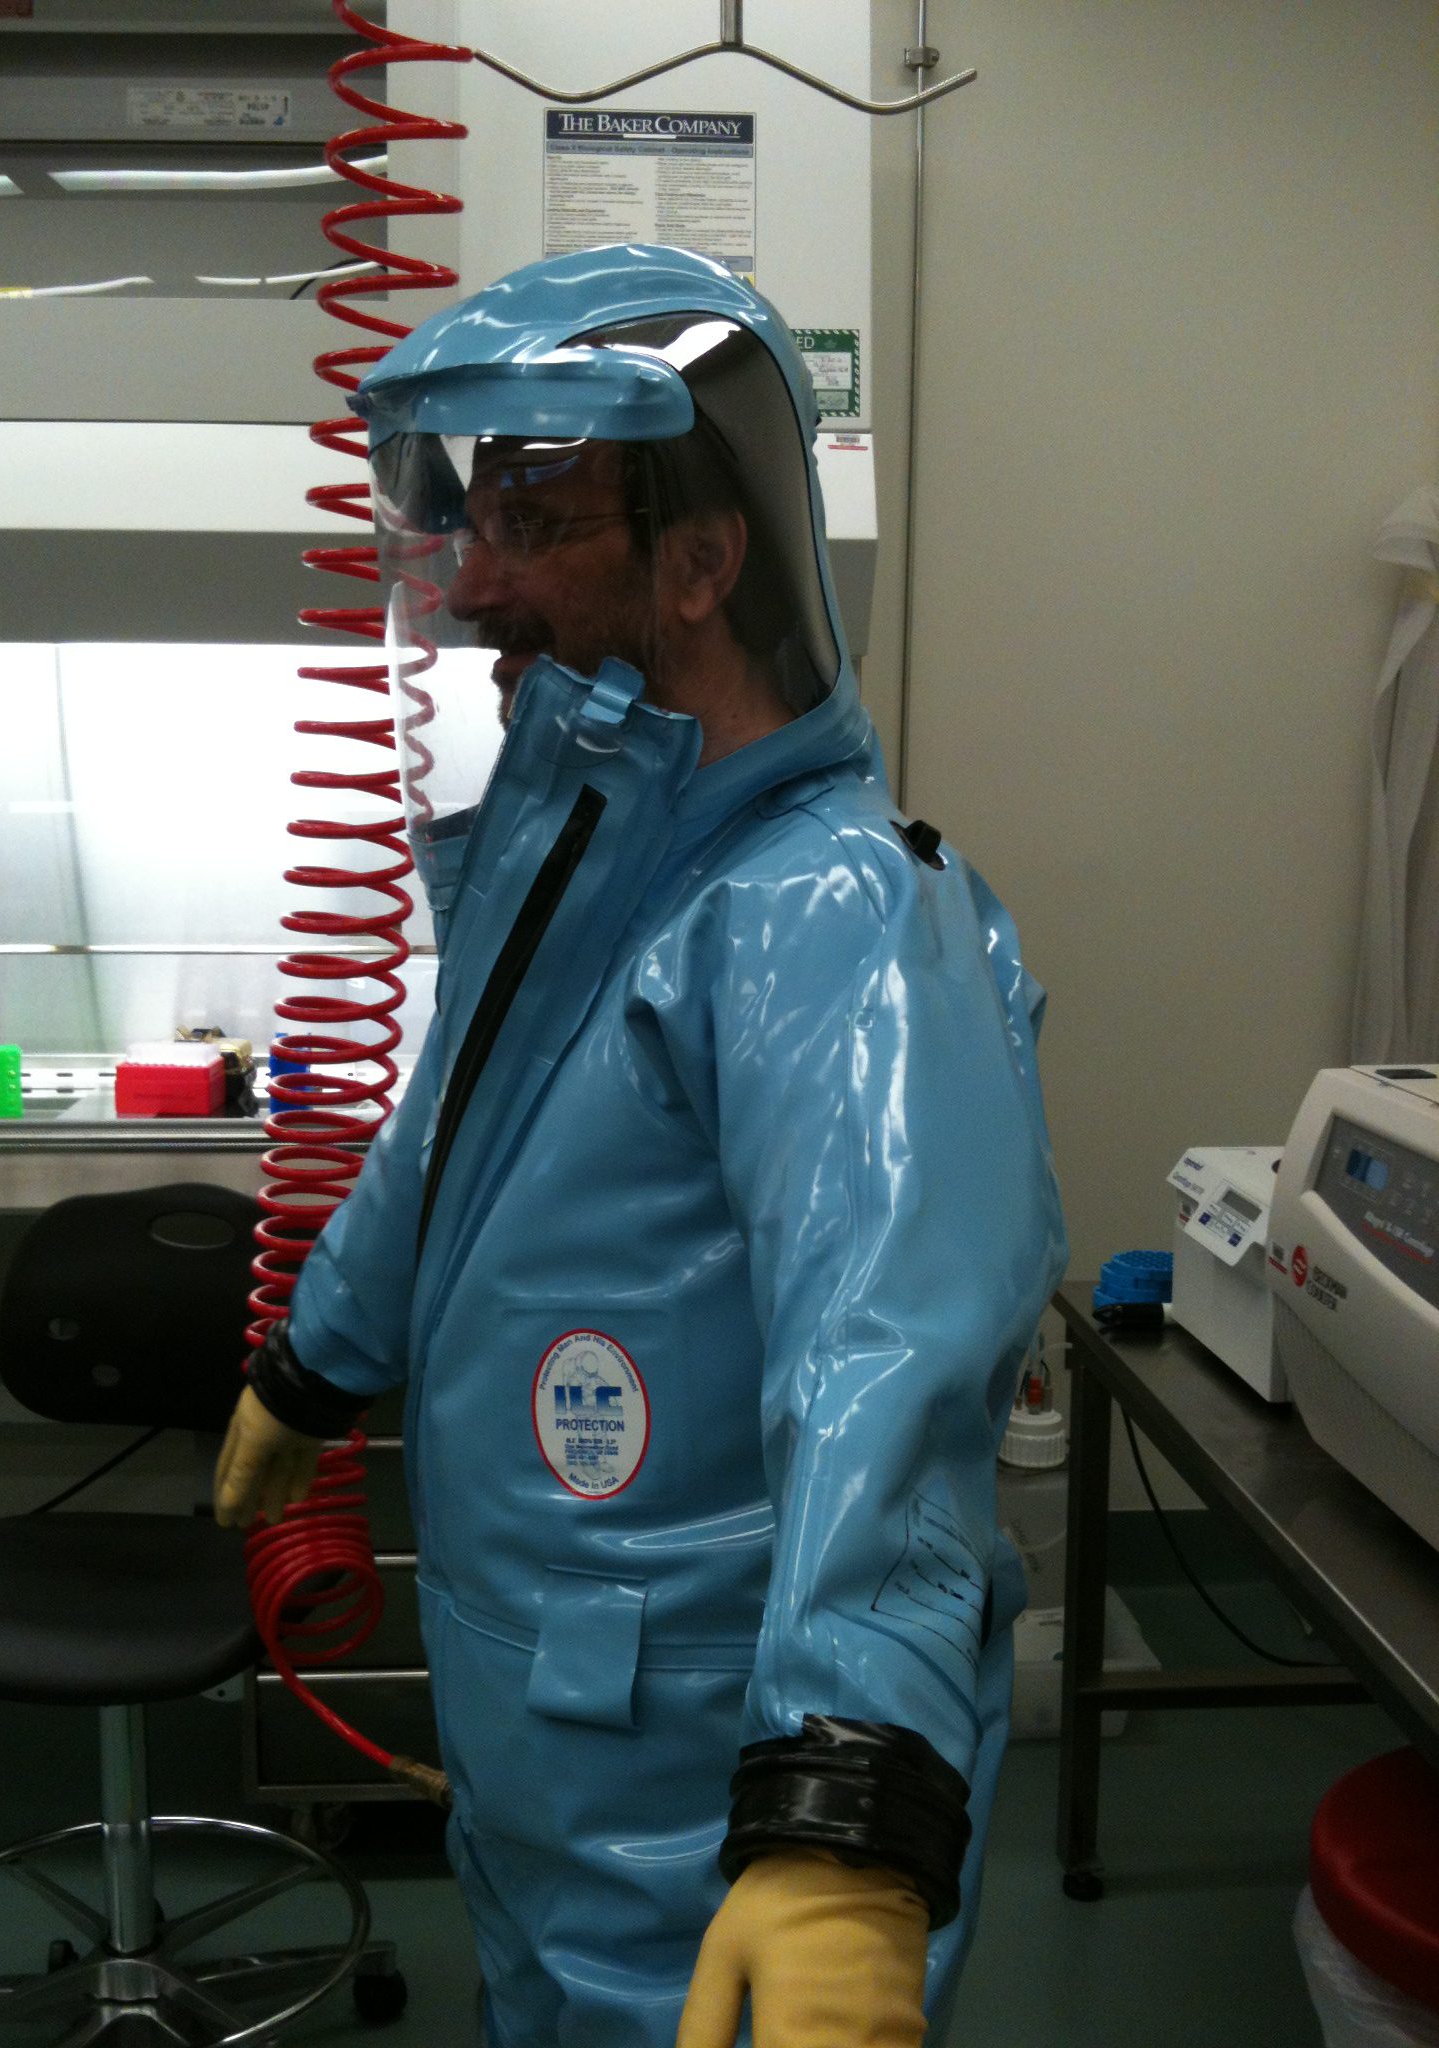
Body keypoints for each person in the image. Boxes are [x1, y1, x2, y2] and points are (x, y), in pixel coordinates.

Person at [215, 243, 1066, 2048]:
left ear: (700, 562)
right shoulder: (590, 862)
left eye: (532, 523)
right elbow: (452, 1142)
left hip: (711, 1778)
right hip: (550, 1729)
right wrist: (317, 1362)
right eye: (462, 522)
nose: (472, 581)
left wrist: (846, 1793)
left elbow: (895, 1362)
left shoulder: (827, 910)